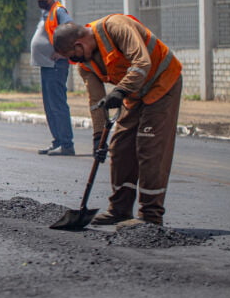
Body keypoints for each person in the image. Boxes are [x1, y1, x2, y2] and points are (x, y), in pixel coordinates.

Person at [53, 15, 183, 227]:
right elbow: (96, 102)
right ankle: (120, 210)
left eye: (72, 56)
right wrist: (98, 138)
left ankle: (151, 216)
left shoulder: (116, 27)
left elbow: (142, 61)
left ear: (78, 44)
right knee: (121, 147)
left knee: (149, 146)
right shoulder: (86, 66)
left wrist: (120, 90)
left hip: (162, 84)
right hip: (133, 95)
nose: (74, 62)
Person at [30, 0, 75, 156]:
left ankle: (66, 144)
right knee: (50, 106)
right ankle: (58, 141)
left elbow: (70, 29)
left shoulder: (58, 11)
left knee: (57, 105)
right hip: (47, 66)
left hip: (56, 65)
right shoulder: (46, 13)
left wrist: (63, 52)